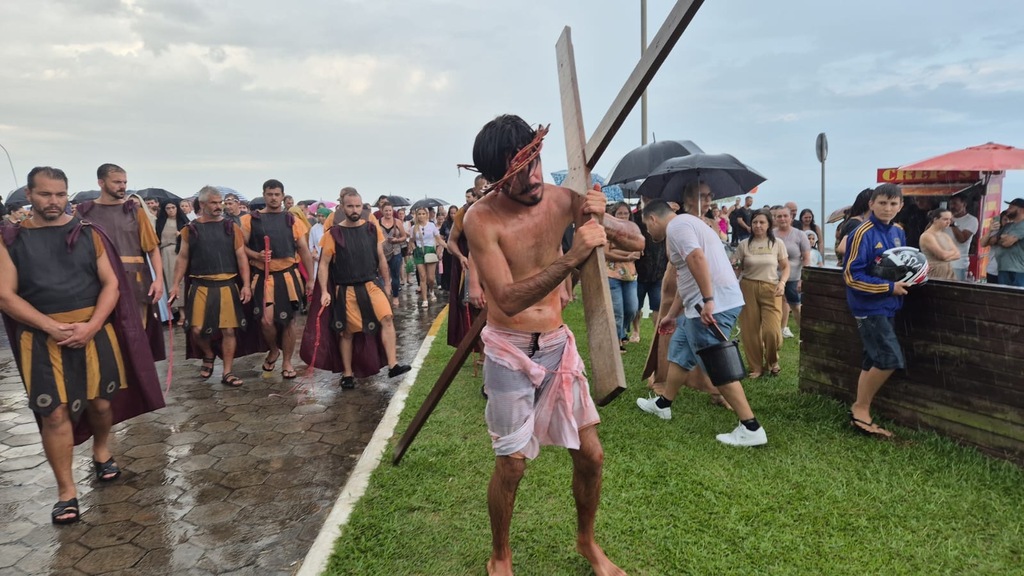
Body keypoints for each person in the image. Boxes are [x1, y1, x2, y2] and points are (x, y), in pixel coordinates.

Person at [462, 115, 639, 576]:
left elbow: (638, 241)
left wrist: (603, 216)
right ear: (497, 177)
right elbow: (505, 297)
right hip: (508, 350)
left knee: (592, 454)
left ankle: (587, 542)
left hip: (558, 345)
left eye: (536, 161)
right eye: (519, 170)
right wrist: (572, 255)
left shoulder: (562, 199)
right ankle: (500, 553)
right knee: (513, 464)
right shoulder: (481, 218)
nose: (534, 176)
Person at [0, 166, 163, 524]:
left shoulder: (89, 234)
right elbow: (6, 296)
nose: (54, 201)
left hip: (93, 332)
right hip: (41, 338)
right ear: (29, 195)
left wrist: (90, 326)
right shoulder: (9, 239)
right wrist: (51, 327)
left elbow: (111, 285)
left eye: (60, 194)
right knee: (54, 413)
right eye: (45, 194)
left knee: (102, 403)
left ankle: (102, 449)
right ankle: (66, 492)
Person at [638, 187, 767, 448]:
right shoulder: (688, 225)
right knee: (680, 351)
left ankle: (750, 426)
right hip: (701, 305)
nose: (648, 232)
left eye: (646, 226)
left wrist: (708, 300)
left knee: (717, 363)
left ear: (653, 219)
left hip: (712, 306)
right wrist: (672, 316)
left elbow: (697, 259)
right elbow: (686, 280)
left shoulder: (677, 228)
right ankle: (664, 404)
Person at [303, 188, 411, 388]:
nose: (354, 210)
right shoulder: (333, 234)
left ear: (362, 207)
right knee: (347, 332)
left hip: (371, 284)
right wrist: (325, 291)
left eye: (358, 206)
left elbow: (380, 258)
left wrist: (387, 284)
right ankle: (347, 373)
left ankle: (393, 364)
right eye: (350, 206)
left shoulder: (371, 229)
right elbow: (325, 264)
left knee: (387, 318)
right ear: (343, 208)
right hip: (346, 289)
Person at [74, 164, 166, 361]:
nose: (122, 186)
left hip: (135, 280)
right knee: (107, 334)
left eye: (124, 182)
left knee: (136, 334)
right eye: (117, 182)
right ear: (101, 182)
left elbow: (152, 248)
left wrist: (158, 279)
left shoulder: (134, 211)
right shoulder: (84, 213)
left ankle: (139, 382)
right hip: (98, 281)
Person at [843, 183, 911, 438]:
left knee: (872, 360)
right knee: (889, 359)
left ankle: (861, 411)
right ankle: (860, 408)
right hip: (869, 306)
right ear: (871, 204)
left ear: (900, 207)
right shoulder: (862, 232)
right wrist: (888, 287)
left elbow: (899, 266)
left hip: (889, 305)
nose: (887, 208)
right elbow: (851, 276)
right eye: (882, 202)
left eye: (893, 204)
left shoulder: (898, 232)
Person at [168, 186, 255, 387]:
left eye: (220, 202)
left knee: (229, 331)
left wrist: (247, 285)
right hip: (201, 285)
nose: (219, 206)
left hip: (227, 284)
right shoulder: (190, 229)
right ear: (203, 204)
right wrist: (174, 285)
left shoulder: (231, 227)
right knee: (197, 330)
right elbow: (182, 258)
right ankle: (208, 355)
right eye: (214, 203)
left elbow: (242, 257)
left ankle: (227, 371)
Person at [240, 179, 315, 380]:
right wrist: (256, 256)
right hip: (263, 278)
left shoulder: (292, 221)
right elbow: (240, 247)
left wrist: (310, 280)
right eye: (270, 194)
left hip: (288, 276)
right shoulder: (250, 220)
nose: (273, 198)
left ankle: (288, 362)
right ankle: (273, 349)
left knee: (289, 321)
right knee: (266, 321)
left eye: (277, 194)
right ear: (264, 195)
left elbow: (304, 250)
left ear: (283, 196)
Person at [734, 209, 789, 378]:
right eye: (755, 222)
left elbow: (785, 267)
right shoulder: (744, 245)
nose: (758, 225)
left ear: (768, 225)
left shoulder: (777, 243)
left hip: (771, 288)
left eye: (762, 222)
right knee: (750, 331)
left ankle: (772, 360)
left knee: (772, 331)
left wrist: (782, 282)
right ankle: (756, 367)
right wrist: (733, 268)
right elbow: (737, 268)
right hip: (747, 287)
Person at [446, 178, 487, 351]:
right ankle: (481, 349)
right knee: (474, 304)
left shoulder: (497, 206)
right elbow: (451, 242)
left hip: (492, 262)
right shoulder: (464, 213)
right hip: (469, 263)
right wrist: (461, 257)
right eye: (482, 187)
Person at [630, 195, 668, 348]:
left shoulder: (662, 217)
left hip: (659, 269)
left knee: (657, 305)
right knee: (636, 305)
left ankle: (656, 335)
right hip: (640, 269)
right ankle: (636, 331)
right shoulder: (635, 218)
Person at [604, 202, 640, 351]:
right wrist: (627, 255)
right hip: (612, 275)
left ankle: (622, 331)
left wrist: (619, 253)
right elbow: (606, 253)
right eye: (620, 213)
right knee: (617, 310)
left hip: (630, 275)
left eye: (626, 213)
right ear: (614, 215)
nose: (623, 216)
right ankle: (617, 339)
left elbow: (638, 252)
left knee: (632, 308)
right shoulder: (608, 231)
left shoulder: (634, 231)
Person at [774, 205, 811, 339]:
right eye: (779, 216)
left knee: (795, 305)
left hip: (794, 277)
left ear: (791, 218)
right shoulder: (771, 235)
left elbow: (806, 258)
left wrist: (803, 278)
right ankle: (779, 330)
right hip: (774, 276)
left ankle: (805, 333)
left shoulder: (799, 235)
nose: (782, 219)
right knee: (778, 304)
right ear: (775, 218)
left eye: (785, 216)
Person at [156, 200, 189, 325]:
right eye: (168, 208)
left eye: (173, 207)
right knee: (170, 282)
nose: (171, 210)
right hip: (165, 255)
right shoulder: (160, 222)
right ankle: (178, 313)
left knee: (181, 282)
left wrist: (181, 235)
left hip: (180, 253)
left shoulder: (183, 222)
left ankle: (185, 313)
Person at [409, 206, 445, 308]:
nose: (421, 216)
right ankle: (425, 299)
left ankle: (431, 290)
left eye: (423, 214)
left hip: (430, 251)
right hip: (419, 252)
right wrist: (413, 247)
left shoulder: (431, 226)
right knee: (422, 277)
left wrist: (447, 246)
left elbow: (438, 238)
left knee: (431, 278)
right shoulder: (413, 227)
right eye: (419, 214)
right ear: (417, 215)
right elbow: (411, 240)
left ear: (427, 215)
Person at [378, 202, 408, 307]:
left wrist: (397, 239)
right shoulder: (377, 222)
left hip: (396, 251)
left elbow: (404, 236)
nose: (388, 212)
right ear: (382, 211)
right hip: (382, 253)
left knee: (395, 276)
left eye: (390, 210)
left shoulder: (398, 222)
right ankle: (384, 296)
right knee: (382, 276)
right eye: (386, 210)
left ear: (392, 211)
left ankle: (395, 296)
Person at [918, 208, 959, 280]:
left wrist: (947, 256)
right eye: (945, 219)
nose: (948, 222)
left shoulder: (945, 235)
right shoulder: (927, 236)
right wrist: (951, 254)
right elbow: (942, 255)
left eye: (950, 219)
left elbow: (958, 254)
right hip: (935, 273)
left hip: (948, 272)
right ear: (935, 219)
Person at [944, 195, 978, 281]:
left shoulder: (972, 220)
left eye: (955, 204)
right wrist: (933, 220)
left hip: (958, 265)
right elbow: (929, 233)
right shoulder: (945, 219)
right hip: (942, 264)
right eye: (950, 204)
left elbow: (962, 239)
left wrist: (952, 224)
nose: (952, 207)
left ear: (964, 204)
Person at [835, 188, 873, 262]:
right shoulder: (855, 223)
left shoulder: (864, 222)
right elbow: (842, 248)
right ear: (870, 203)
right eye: (881, 203)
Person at [993, 198, 1024, 287]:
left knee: (1017, 298)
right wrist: (1001, 239)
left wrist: (1001, 239)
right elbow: (994, 240)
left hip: (1018, 271)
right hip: (1003, 268)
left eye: (1011, 207)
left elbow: (1007, 243)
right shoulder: (1007, 226)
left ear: (1021, 209)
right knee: (1003, 298)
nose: (1007, 210)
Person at [980, 210, 1010, 284]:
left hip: (1010, 271)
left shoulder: (1017, 231)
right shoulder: (995, 230)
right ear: (1001, 220)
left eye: (1010, 219)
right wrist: (990, 230)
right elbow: (982, 244)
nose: (1008, 222)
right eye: (1005, 219)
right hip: (993, 270)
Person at [308, 206, 330, 280]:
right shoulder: (314, 228)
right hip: (318, 259)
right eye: (319, 216)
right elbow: (311, 244)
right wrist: (314, 254)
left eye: (323, 216)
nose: (320, 218)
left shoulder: (332, 227)